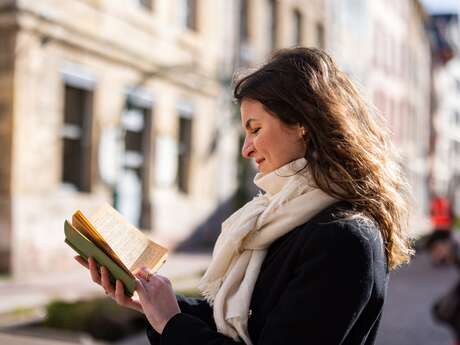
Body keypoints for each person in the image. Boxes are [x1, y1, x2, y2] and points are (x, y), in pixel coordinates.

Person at [75, 47, 413, 344]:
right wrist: (153, 303)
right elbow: (244, 319)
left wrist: (170, 322)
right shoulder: (281, 216)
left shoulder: (342, 238)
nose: (246, 149)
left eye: (255, 129)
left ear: (303, 125)